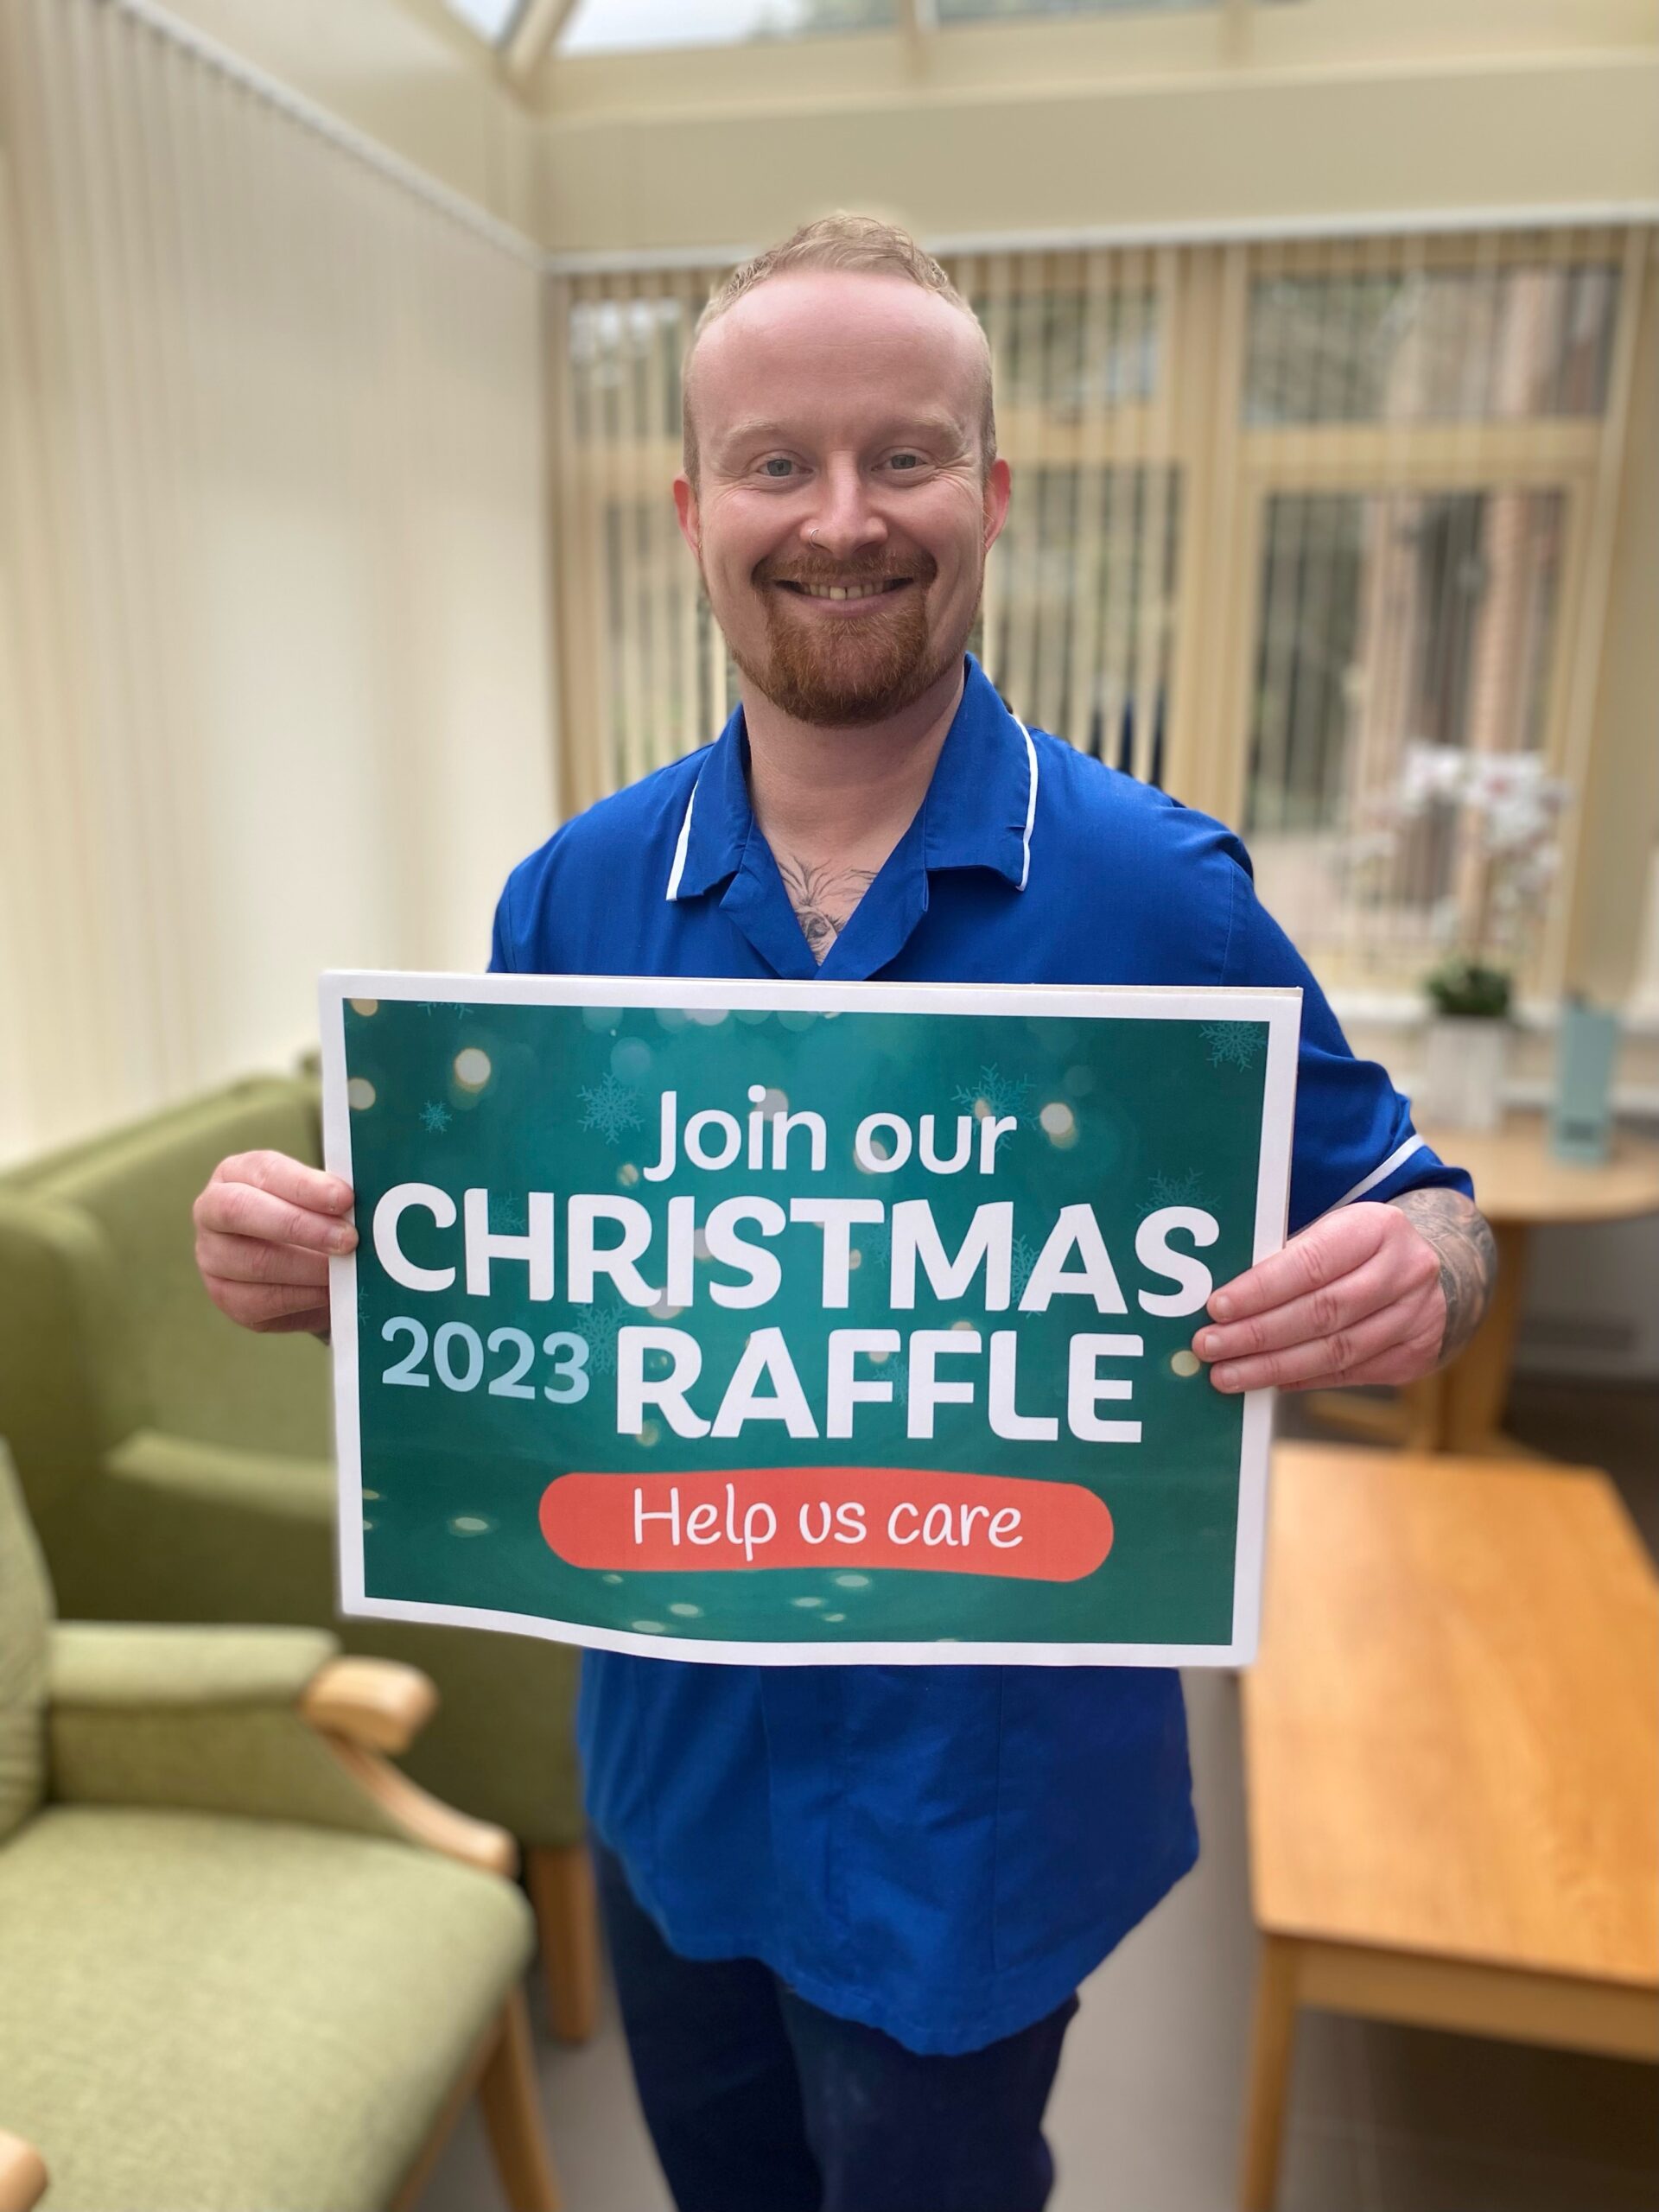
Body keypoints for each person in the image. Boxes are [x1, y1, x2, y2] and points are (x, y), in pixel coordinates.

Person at [194, 216, 1497, 2212]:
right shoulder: (570, 901)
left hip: (980, 1812)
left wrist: (1422, 1262)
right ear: (695, 501)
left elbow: (1421, 1198)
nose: (843, 518)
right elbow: (508, 1284)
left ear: (989, 494)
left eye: (904, 456)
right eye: (779, 462)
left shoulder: (1159, 897)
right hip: (673, 1776)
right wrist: (312, 1266)